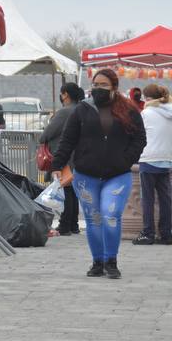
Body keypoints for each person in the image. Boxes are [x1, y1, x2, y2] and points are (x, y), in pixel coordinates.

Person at [51, 68, 147, 279]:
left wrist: (126, 159)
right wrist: (57, 164)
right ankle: (98, 262)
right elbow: (68, 139)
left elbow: (140, 138)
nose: (98, 89)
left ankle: (111, 261)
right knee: (93, 218)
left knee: (110, 215)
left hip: (118, 175)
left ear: (114, 86)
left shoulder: (128, 110)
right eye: (95, 84)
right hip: (86, 175)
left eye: (103, 85)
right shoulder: (81, 110)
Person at [40, 83, 84, 236]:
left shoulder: (65, 112)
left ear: (65, 94)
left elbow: (46, 134)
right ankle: (73, 224)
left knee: (66, 189)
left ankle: (65, 225)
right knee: (71, 191)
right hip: (77, 155)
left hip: (65, 156)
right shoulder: (81, 109)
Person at [135, 84, 172, 245]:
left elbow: (138, 135)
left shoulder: (146, 113)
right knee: (165, 199)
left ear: (148, 98)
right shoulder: (170, 112)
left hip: (149, 159)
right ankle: (166, 234)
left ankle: (148, 233)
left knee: (148, 199)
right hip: (167, 160)